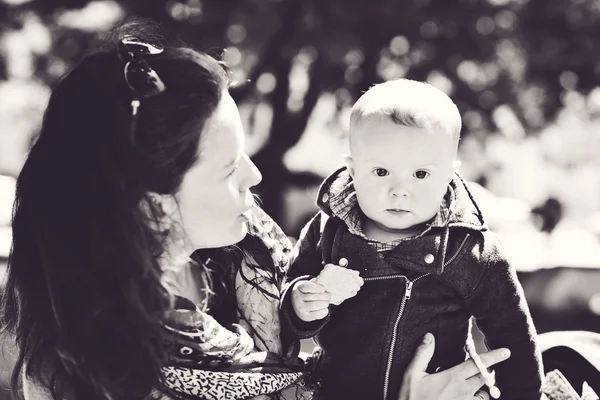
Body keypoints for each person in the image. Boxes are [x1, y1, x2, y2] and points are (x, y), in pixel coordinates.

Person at [0, 21, 511, 400]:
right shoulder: (99, 373)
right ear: (152, 208)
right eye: (227, 169)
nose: (255, 175)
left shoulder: (249, 248)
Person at [281, 79, 544, 400]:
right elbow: (292, 288)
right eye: (381, 172)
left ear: (449, 176)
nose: (399, 190)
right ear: (352, 171)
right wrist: (299, 303)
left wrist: (523, 394)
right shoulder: (329, 231)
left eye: (420, 174)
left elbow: (513, 334)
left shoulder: (471, 251)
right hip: (335, 390)